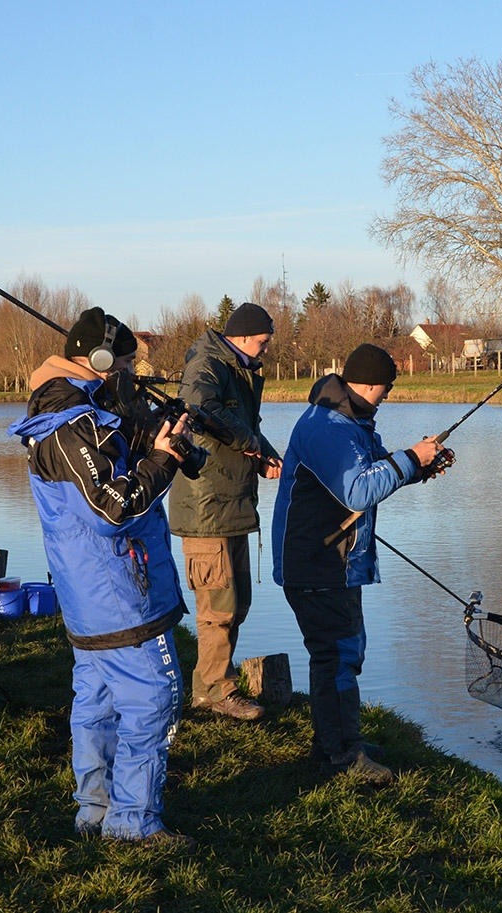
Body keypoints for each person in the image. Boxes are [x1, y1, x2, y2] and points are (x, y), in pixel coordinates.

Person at [6, 307, 194, 846]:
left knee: (98, 700)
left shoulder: (73, 416)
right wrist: (161, 462)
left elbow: (99, 489)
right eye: (129, 363)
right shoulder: (72, 427)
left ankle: (95, 812)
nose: (134, 374)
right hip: (116, 593)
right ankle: (132, 824)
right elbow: (112, 509)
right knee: (153, 697)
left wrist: (143, 439)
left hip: (90, 591)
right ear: (102, 361)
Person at [271, 343, 450, 784]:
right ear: (371, 383)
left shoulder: (351, 421)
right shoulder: (329, 427)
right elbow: (357, 491)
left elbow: (375, 473)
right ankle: (342, 756)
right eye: (387, 388)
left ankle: (336, 744)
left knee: (341, 653)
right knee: (337, 654)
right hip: (318, 562)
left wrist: (420, 468)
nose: (388, 396)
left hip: (335, 560)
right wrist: (410, 459)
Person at [169, 302, 283, 721]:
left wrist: (265, 453)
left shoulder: (238, 370)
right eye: (263, 341)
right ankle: (213, 691)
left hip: (232, 503)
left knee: (237, 603)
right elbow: (198, 409)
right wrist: (248, 444)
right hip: (206, 506)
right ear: (242, 337)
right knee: (217, 608)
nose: (266, 349)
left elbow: (246, 428)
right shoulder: (207, 364)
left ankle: (219, 683)